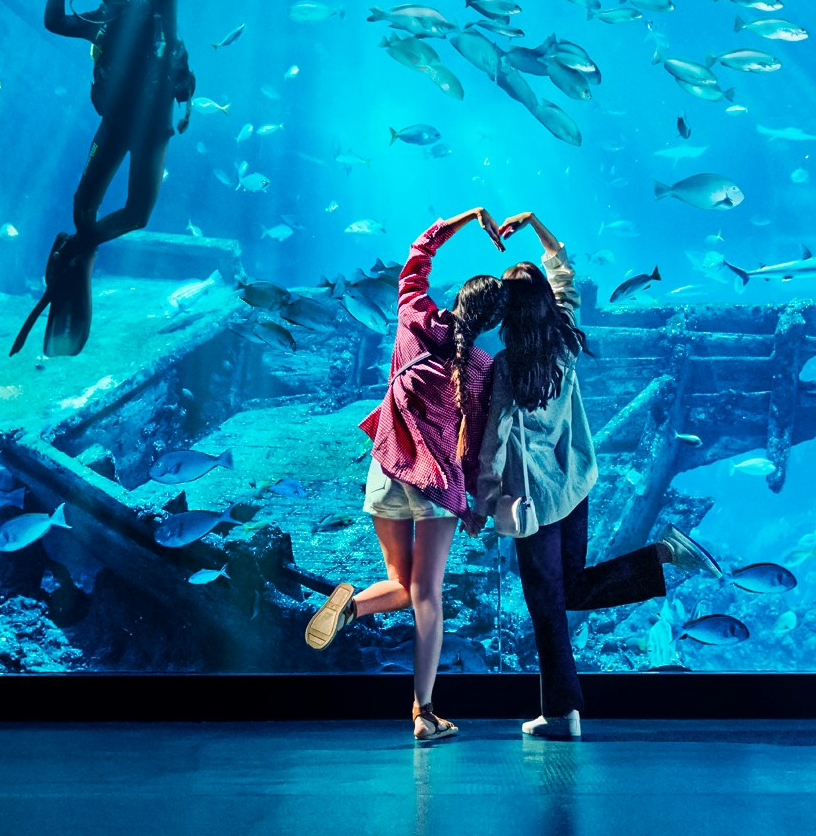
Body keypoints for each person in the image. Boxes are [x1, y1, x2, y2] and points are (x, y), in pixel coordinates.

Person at [476, 211, 723, 740]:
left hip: (535, 502)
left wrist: (481, 505)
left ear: (507, 313)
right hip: (576, 486)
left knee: (547, 604)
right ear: (544, 303)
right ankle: (662, 554)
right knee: (572, 589)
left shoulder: (505, 366)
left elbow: (494, 444)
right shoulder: (564, 340)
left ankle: (561, 716)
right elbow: (563, 271)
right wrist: (539, 225)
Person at [304, 208, 507, 741]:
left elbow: (415, 260)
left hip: (387, 469)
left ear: (456, 298)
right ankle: (424, 712)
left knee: (400, 582)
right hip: (437, 487)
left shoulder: (414, 317)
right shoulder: (483, 367)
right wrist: (477, 507)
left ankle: (351, 607)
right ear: (489, 323)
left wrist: (466, 219)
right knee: (427, 595)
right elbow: (480, 447)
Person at [10, 0, 195, 358]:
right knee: (123, 212)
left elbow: (54, 21)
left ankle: (77, 249)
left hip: (126, 128)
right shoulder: (143, 13)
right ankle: (79, 251)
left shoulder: (113, 19)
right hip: (137, 128)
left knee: (98, 210)